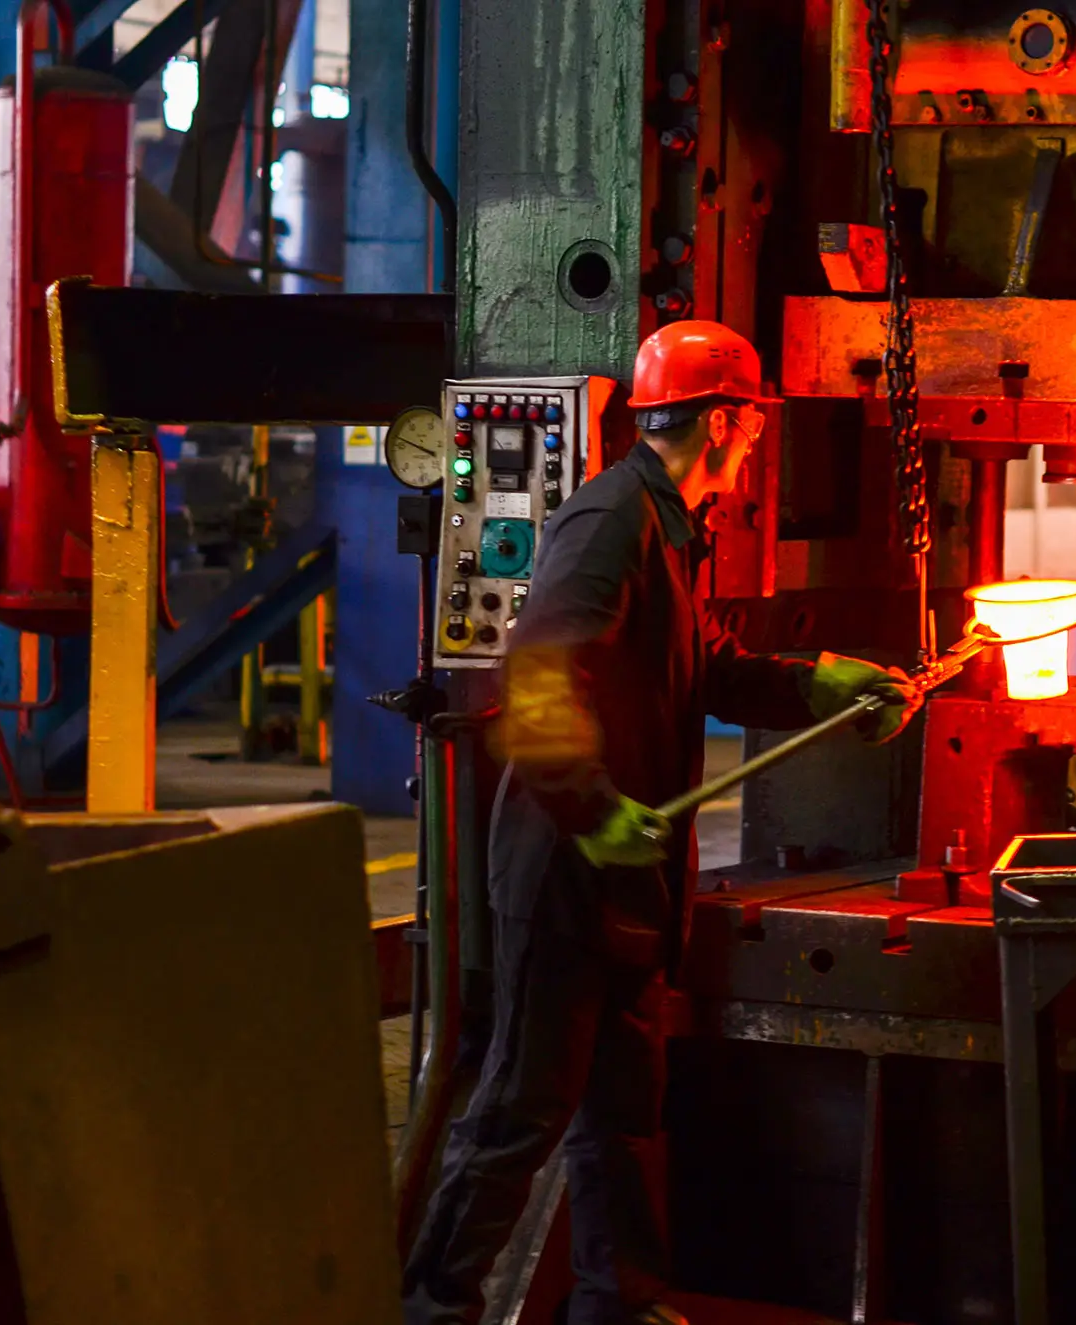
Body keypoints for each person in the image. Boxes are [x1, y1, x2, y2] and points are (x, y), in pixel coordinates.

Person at [402, 321, 922, 1325]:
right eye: (754, 422)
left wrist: (820, 682)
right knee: (523, 1105)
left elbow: (706, 666)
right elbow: (538, 675)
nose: (759, 443)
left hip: (626, 876)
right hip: (563, 866)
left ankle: (619, 1298)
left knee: (622, 1111)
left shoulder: (672, 524)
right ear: (724, 420)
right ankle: (431, 1304)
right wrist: (594, 812)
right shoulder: (611, 521)